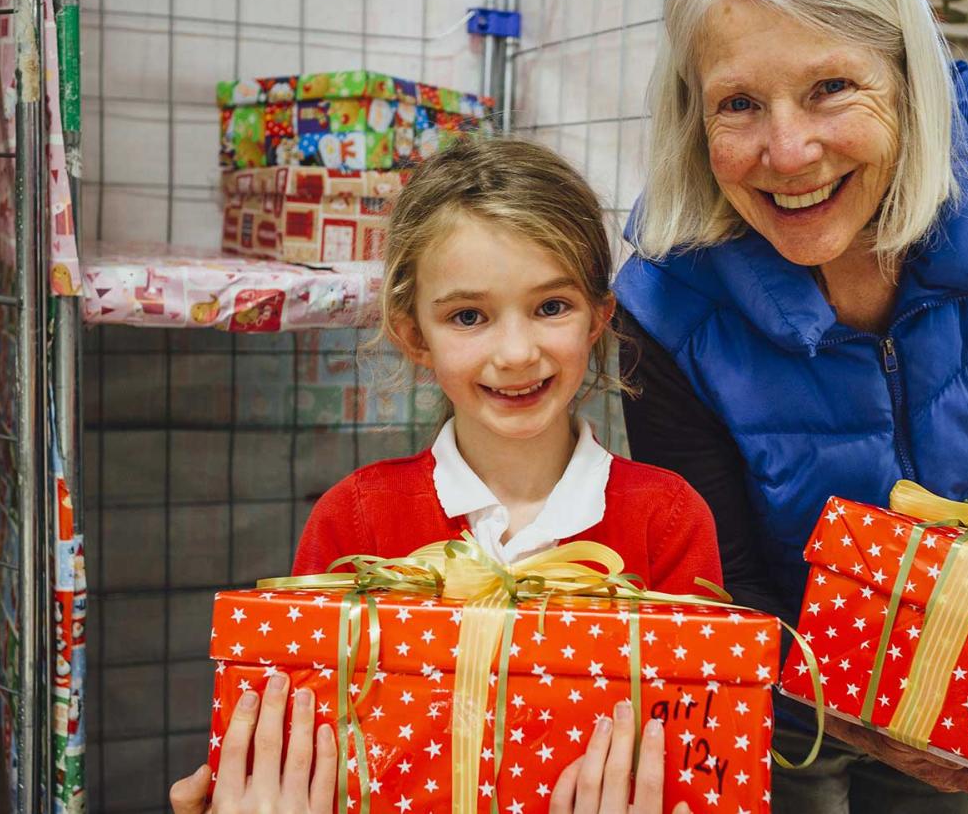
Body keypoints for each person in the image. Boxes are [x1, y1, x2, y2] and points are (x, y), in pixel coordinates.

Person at [611, 0, 968, 813]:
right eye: (740, 103)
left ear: (908, 78)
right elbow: (728, 580)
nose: (788, 152)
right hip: (777, 690)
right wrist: (879, 711)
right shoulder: (663, 298)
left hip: (962, 651)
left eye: (831, 86)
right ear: (693, 115)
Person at [170, 135, 715, 813]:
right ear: (414, 335)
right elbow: (308, 746)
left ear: (600, 317)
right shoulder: (355, 521)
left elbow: (699, 756)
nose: (516, 352)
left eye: (552, 306)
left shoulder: (667, 521)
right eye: (468, 316)